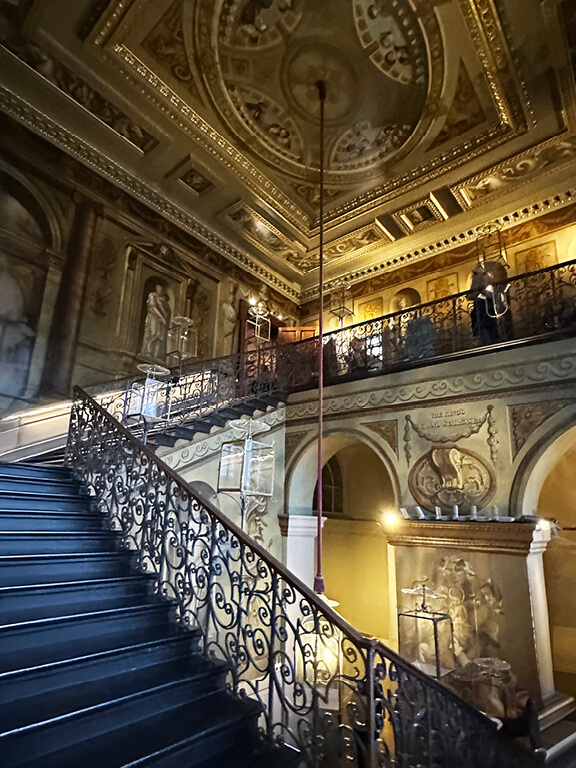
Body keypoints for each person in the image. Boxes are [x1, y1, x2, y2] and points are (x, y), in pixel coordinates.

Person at [140, 283, 171, 360]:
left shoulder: (164, 299)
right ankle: (148, 352)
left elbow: (167, 311)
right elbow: (153, 307)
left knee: (160, 337)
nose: (160, 289)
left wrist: (164, 318)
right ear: (156, 288)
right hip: (153, 318)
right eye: (159, 287)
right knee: (152, 334)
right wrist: (162, 317)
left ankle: (157, 355)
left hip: (162, 322)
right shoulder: (152, 296)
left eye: (161, 288)